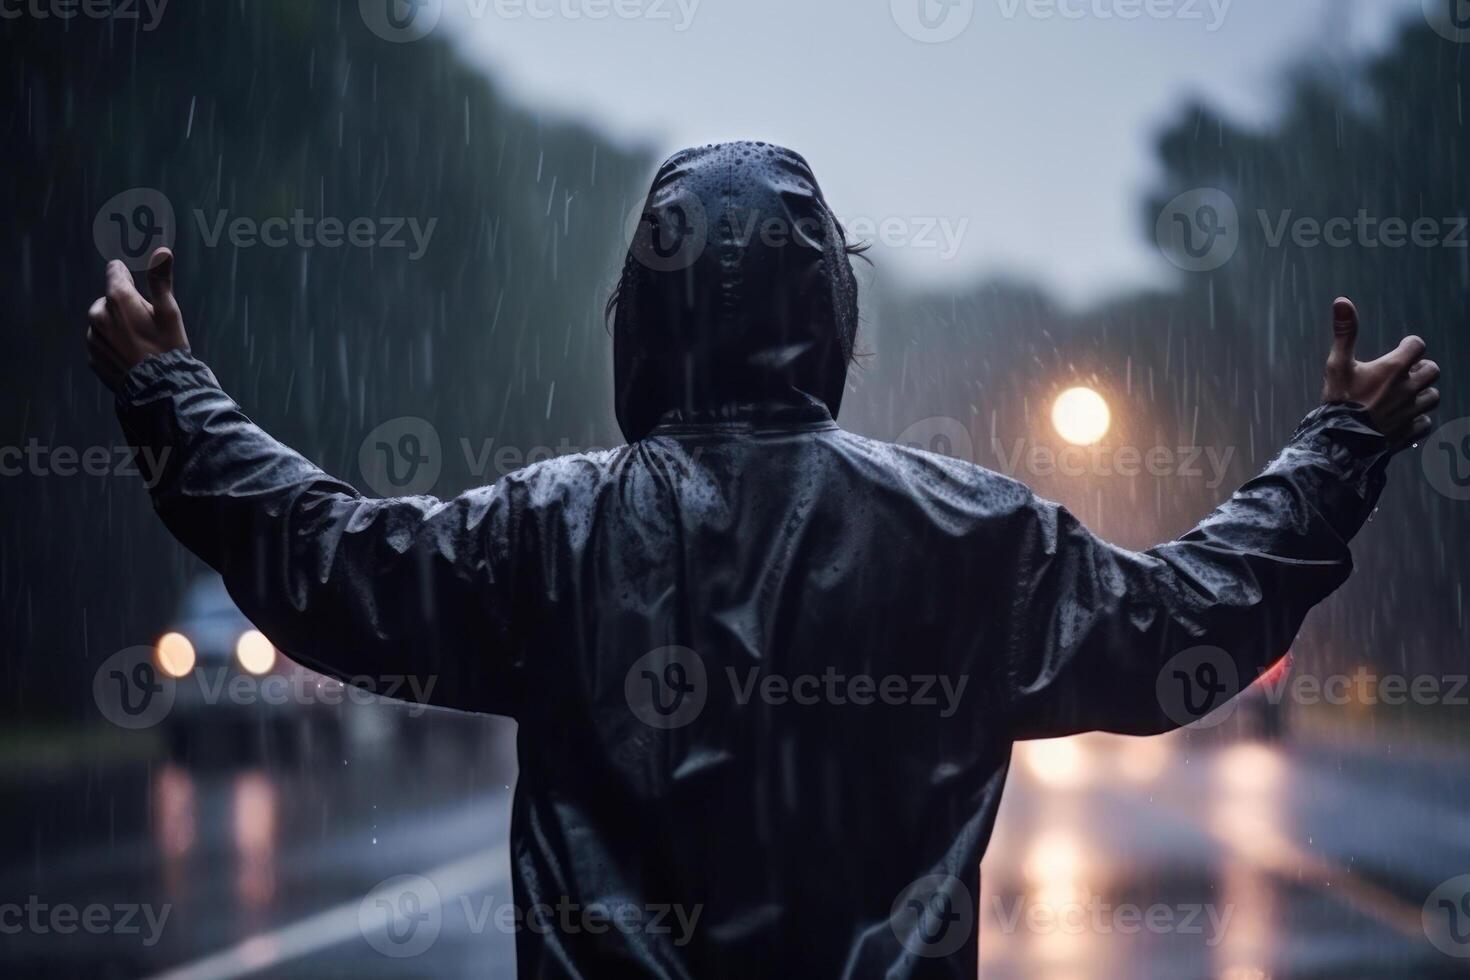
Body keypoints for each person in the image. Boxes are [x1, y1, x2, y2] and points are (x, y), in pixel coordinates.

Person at [86, 142, 1440, 978]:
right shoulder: (966, 535)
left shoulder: (550, 532)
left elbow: (328, 563)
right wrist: (1338, 448)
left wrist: (169, 392)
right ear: (828, 316)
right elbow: (1177, 631)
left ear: (644, 321)